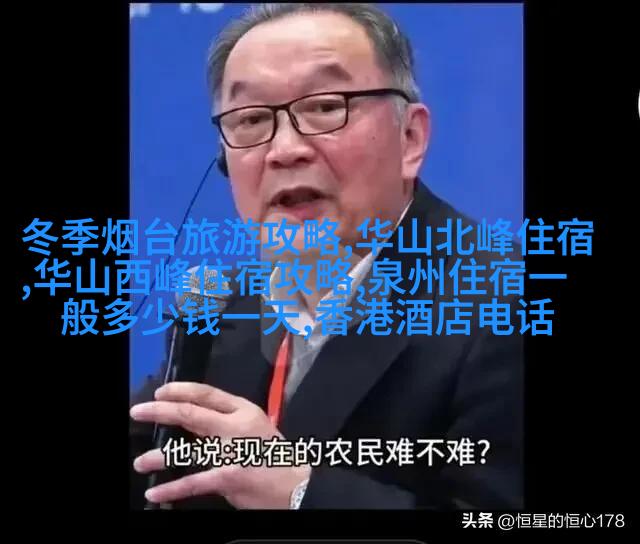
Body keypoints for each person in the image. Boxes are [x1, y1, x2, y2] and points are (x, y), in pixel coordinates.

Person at [130, 2, 523, 510]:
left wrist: (300, 493)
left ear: (410, 139)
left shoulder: (507, 299)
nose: (284, 150)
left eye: (325, 107)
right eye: (251, 119)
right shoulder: (223, 305)